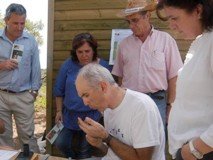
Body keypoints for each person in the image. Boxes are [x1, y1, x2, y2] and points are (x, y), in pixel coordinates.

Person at [156, 0, 213, 160]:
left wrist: (194, 150)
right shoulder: (202, 41)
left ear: (198, 11)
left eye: (174, 18)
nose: (172, 25)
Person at [111, 0, 183, 126]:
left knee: (157, 139)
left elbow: (174, 76)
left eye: (135, 20)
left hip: (157, 100)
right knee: (131, 138)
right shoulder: (123, 45)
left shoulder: (165, 40)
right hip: (130, 100)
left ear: (148, 16)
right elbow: (120, 76)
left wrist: (171, 105)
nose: (131, 26)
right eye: (129, 21)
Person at [76, 63, 165, 160]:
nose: (85, 102)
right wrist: (99, 144)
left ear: (103, 87)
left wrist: (106, 137)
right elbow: (113, 152)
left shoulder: (141, 107)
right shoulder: (106, 107)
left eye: (86, 95)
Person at [53, 33, 112, 159]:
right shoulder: (68, 65)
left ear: (93, 50)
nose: (84, 55)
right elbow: (59, 90)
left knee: (85, 147)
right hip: (69, 115)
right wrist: (59, 110)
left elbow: (110, 91)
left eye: (87, 51)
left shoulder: (103, 66)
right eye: (80, 52)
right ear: (75, 52)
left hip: (92, 115)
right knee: (61, 143)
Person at [0, 3, 41, 152]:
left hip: (24, 96)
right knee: (2, 137)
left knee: (28, 138)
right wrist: (2, 65)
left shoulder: (30, 41)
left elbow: (36, 67)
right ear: (6, 20)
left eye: (22, 23)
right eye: (15, 23)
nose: (19, 27)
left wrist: (34, 91)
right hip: (1, 96)